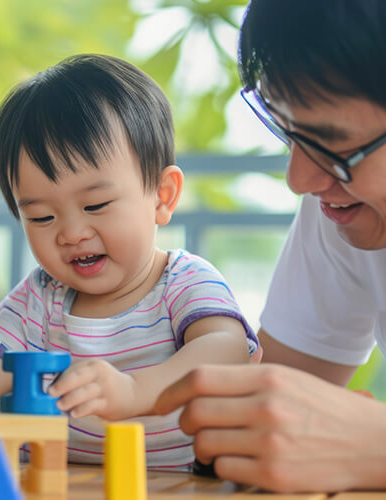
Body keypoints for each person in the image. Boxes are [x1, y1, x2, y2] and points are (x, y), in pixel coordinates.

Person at [0, 54, 260, 470]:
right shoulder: (38, 304)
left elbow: (225, 351)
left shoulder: (183, 283)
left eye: (96, 204)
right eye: (41, 217)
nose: (71, 233)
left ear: (163, 195)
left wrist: (134, 391)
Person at [153, 0, 386, 492]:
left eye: (334, 145)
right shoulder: (348, 206)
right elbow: (264, 422)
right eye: (289, 132)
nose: (299, 179)